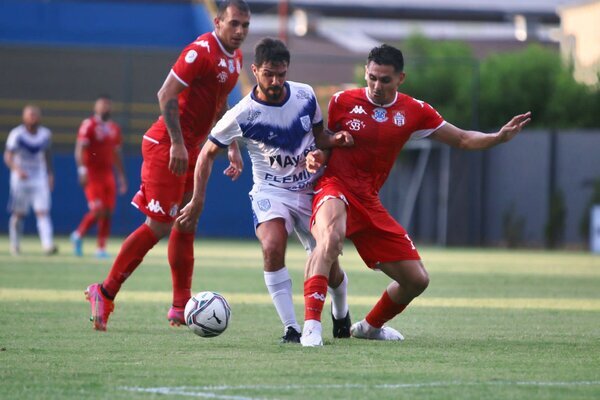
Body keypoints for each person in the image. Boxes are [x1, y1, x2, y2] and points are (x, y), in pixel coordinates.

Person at [300, 44, 532, 347]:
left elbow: (461, 138)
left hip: (368, 200)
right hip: (335, 187)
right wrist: (317, 155)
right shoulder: (343, 101)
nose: (376, 86)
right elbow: (326, 142)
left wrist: (496, 138)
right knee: (330, 239)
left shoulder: (414, 111)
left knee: (417, 280)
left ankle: (369, 327)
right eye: (371, 77)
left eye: (385, 80)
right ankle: (311, 327)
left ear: (401, 79)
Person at [85, 0, 251, 331]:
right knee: (160, 224)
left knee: (186, 221)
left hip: (192, 148)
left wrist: (231, 145)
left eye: (245, 26)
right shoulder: (200, 51)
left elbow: (220, 106)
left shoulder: (236, 59)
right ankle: (104, 291)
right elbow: (166, 94)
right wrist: (176, 142)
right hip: (166, 145)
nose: (240, 32)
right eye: (234, 24)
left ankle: (180, 306)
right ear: (217, 22)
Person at [177, 37, 354, 343]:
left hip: (310, 190)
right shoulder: (243, 113)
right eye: (269, 74)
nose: (275, 81)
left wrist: (334, 141)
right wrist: (196, 201)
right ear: (255, 70)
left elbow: (320, 137)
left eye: (281, 74)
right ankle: (290, 328)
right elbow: (206, 153)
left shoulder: (305, 96)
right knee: (272, 247)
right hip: (270, 191)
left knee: (330, 261)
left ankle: (341, 314)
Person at [71, 95, 127, 258]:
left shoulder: (114, 128)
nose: (105, 108)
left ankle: (101, 248)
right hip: (92, 173)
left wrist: (121, 176)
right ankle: (78, 234)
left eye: (107, 105)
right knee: (97, 210)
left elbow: (116, 154)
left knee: (108, 211)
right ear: (95, 107)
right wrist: (82, 170)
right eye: (102, 105)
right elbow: (79, 149)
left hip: (107, 174)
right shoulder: (89, 125)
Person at [4, 105, 58, 256]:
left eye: (35, 114)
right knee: (19, 214)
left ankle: (47, 245)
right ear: (24, 117)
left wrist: (50, 174)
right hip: (21, 179)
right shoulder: (17, 134)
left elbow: (47, 156)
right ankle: (15, 245)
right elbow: (8, 156)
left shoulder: (45, 134)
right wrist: (17, 170)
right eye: (30, 115)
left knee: (43, 212)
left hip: (39, 178)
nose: (33, 117)